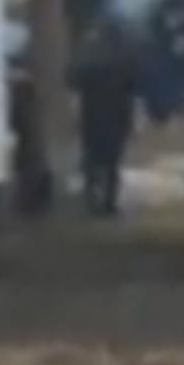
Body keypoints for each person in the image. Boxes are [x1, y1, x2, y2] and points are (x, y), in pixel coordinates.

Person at [70, 19, 143, 218]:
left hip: (92, 116)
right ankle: (108, 202)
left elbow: (74, 81)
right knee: (111, 164)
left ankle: (91, 198)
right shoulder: (126, 58)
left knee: (92, 159)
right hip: (117, 116)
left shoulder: (91, 57)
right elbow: (134, 88)